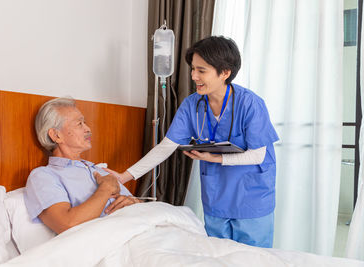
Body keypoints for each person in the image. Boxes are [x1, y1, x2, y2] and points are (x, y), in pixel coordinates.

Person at [105, 36, 279, 248]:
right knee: (218, 256)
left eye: (201, 70)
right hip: (217, 196)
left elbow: (257, 155)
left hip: (251, 196)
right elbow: (166, 147)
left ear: (225, 72)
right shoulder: (192, 104)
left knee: (255, 258)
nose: (194, 76)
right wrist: (125, 176)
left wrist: (214, 158)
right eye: (193, 69)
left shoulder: (250, 103)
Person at [24, 97, 141, 234]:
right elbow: (66, 224)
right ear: (56, 135)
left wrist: (136, 204)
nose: (88, 129)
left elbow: (138, 206)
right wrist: (106, 189)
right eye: (79, 124)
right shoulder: (43, 176)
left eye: (85, 123)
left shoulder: (100, 170)